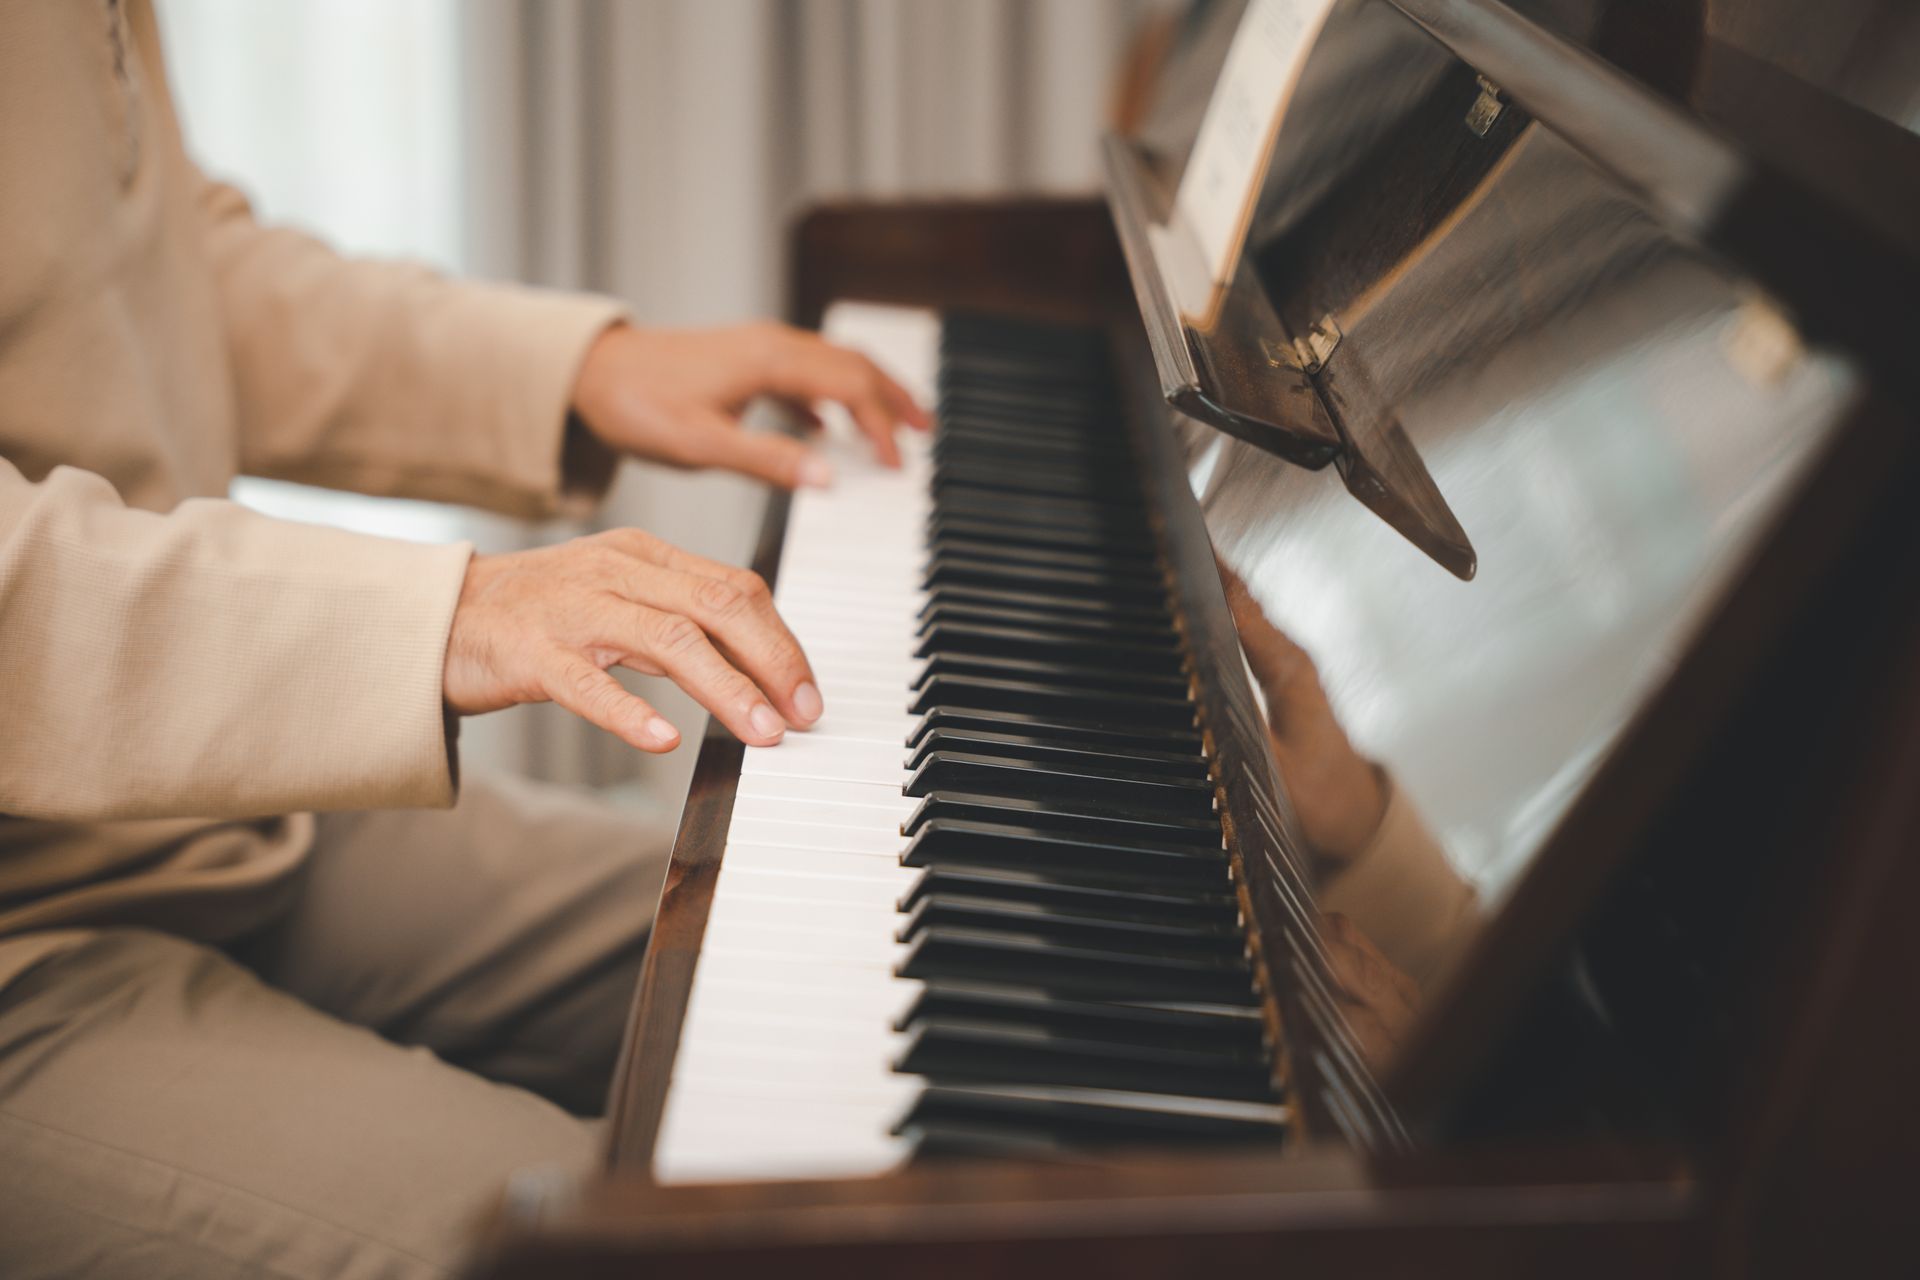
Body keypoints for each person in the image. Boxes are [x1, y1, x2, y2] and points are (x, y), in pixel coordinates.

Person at [0, 4, 923, 1277]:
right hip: (23, 931)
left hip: (208, 799)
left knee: (852, 974)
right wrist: (446, 613)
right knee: (660, 1253)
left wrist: (577, 366)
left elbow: (152, 268)